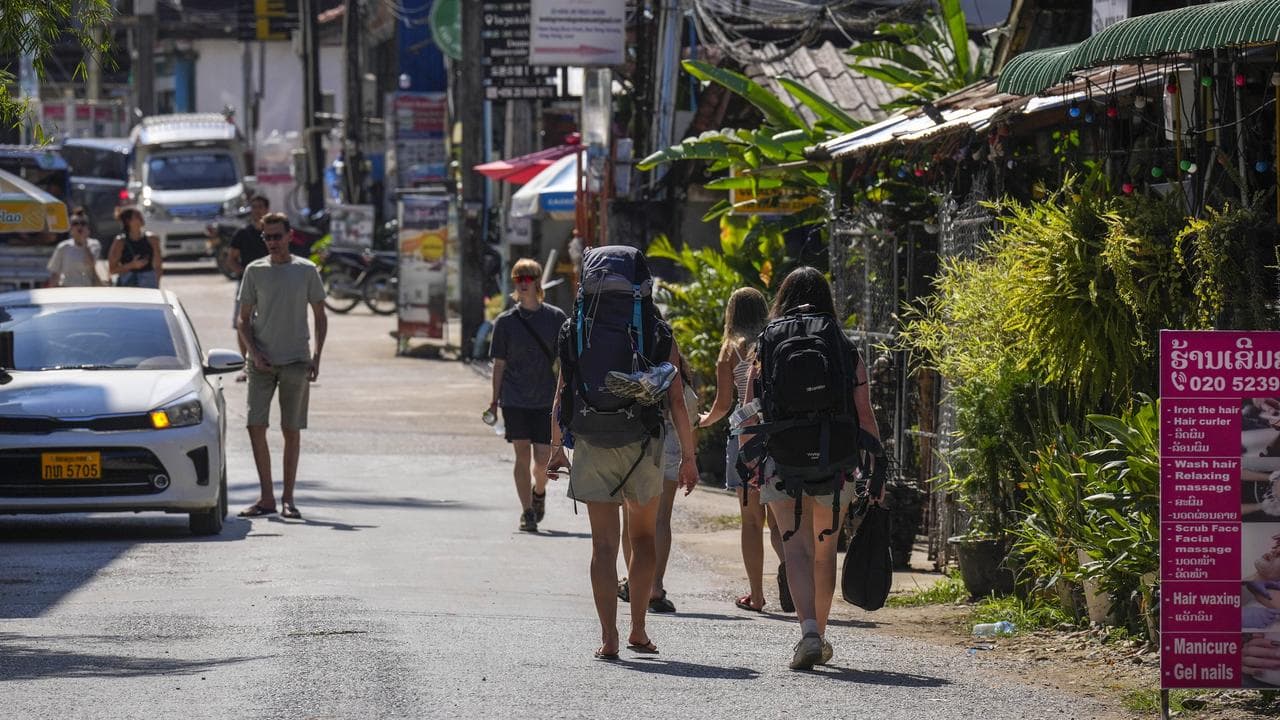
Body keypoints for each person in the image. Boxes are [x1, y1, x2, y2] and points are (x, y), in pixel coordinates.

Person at [546, 245, 699, 660]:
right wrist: (688, 456)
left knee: (602, 546)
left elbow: (561, 394)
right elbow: (677, 401)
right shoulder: (657, 328)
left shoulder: (574, 328)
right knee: (644, 537)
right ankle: (638, 630)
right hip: (643, 442)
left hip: (592, 440)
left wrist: (557, 448)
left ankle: (608, 637)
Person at [740, 266, 882, 670]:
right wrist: (876, 465)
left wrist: (749, 458)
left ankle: (808, 633)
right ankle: (820, 632)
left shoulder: (766, 344)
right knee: (824, 550)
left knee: (795, 547)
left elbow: (750, 412)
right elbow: (864, 413)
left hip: (782, 457)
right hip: (835, 459)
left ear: (781, 298)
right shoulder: (842, 345)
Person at [696, 286, 789, 613]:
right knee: (780, 520)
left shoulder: (731, 350)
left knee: (751, 522)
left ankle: (757, 595)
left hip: (745, 437)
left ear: (732, 313)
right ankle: (796, 575)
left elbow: (724, 405)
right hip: (778, 438)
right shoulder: (772, 341)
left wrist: (703, 421)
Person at [236, 212, 328, 521]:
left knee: (291, 429)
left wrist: (317, 356)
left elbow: (320, 315)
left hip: (296, 361)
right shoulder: (254, 271)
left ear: (290, 236)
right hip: (261, 363)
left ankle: (288, 499)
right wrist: (254, 353)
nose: (273, 242)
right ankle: (267, 497)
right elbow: (243, 320)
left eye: (277, 236)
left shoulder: (306, 271)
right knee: (255, 426)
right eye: (267, 237)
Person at [488, 258, 567, 532]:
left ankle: (539, 491)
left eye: (527, 278)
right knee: (521, 454)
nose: (522, 284)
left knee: (543, 459)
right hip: (514, 399)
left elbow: (567, 362)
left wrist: (567, 395)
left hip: (546, 399)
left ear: (537, 283)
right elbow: (499, 364)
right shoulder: (505, 322)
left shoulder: (556, 318)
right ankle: (527, 512)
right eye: (518, 279)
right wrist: (494, 400)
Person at [618, 352, 698, 613]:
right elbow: (689, 412)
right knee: (661, 519)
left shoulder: (630, 364)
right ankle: (655, 586)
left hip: (637, 444)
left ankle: (634, 579)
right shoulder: (675, 374)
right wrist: (691, 456)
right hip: (672, 446)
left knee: (632, 519)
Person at [228, 195, 272, 382]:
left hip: (271, 284)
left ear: (267, 209)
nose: (257, 210)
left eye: (260, 207)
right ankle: (247, 365)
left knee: (270, 323)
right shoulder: (242, 234)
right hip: (247, 284)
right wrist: (242, 273)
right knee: (242, 323)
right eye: (254, 207)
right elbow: (231, 258)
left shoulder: (274, 233)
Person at [107, 206, 162, 288]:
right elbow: (112, 270)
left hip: (148, 284)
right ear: (128, 221)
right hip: (128, 285)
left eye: (140, 215)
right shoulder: (120, 242)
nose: (141, 218)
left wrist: (156, 283)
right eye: (137, 216)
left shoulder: (152, 239)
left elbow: (158, 265)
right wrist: (131, 265)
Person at [47, 214, 102, 287]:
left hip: (87, 289)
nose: (79, 227)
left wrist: (84, 243)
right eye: (75, 223)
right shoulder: (63, 247)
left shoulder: (94, 244)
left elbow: (90, 264)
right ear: (71, 228)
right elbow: (55, 273)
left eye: (83, 223)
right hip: (67, 289)